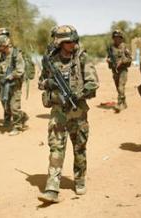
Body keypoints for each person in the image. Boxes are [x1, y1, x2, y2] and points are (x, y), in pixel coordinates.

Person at [38, 25, 99, 203]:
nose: (73, 44)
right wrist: (49, 83)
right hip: (58, 112)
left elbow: (93, 83)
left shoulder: (82, 59)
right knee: (56, 148)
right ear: (60, 42)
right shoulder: (50, 60)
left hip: (78, 111)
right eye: (68, 41)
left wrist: (78, 93)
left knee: (79, 147)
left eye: (74, 41)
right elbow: (41, 82)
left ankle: (79, 180)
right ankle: (52, 187)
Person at [0, 35, 28, 136]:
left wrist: (10, 76)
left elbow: (20, 70)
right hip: (4, 84)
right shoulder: (2, 55)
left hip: (15, 85)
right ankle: (23, 116)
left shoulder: (16, 55)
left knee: (14, 107)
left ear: (4, 45)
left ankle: (17, 127)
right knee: (6, 105)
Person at [106, 29, 132, 113]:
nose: (116, 39)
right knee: (118, 88)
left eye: (118, 37)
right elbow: (109, 57)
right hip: (115, 71)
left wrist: (122, 61)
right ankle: (124, 102)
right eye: (115, 38)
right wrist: (109, 60)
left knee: (121, 87)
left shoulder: (125, 47)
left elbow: (130, 59)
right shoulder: (111, 48)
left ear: (121, 38)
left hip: (123, 70)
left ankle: (119, 104)